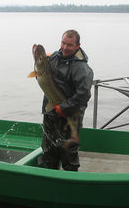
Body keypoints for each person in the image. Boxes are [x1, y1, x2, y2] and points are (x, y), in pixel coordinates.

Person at [39, 29, 94, 171]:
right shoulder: (55, 57)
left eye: (69, 45)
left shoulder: (82, 68)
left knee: (68, 154)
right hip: (51, 113)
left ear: (77, 46)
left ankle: (71, 182)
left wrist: (63, 108)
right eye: (63, 43)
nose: (64, 47)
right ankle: (50, 179)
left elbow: (84, 95)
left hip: (70, 116)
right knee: (49, 150)